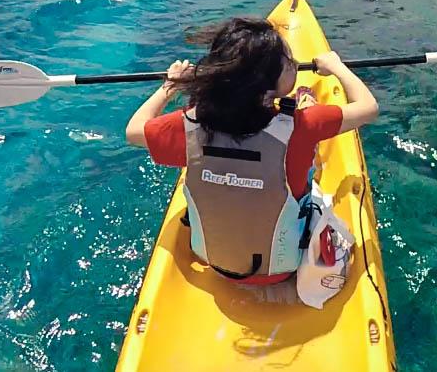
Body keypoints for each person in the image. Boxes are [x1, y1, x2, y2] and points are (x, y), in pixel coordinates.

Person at [125, 17, 379, 285]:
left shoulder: (188, 125)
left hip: (214, 263)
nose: (293, 64)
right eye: (288, 62)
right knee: (307, 160)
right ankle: (306, 101)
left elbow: (133, 131)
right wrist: (337, 67)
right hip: (282, 269)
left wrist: (169, 86)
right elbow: (368, 107)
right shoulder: (303, 125)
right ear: (267, 92)